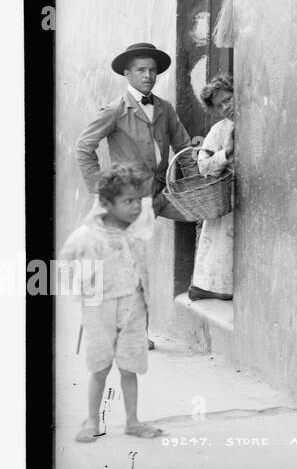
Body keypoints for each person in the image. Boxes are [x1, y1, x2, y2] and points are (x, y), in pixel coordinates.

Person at [61, 165, 164, 442]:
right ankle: (91, 420)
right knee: (100, 366)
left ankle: (133, 421)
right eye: (127, 201)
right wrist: (80, 286)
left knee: (129, 366)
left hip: (132, 306)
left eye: (137, 200)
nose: (135, 207)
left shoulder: (136, 230)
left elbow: (145, 220)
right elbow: (65, 260)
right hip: (99, 309)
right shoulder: (87, 235)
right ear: (106, 203)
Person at [75, 41, 192, 218]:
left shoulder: (165, 108)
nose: (148, 75)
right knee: (126, 243)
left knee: (206, 215)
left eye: (152, 70)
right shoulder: (115, 110)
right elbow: (84, 146)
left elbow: (184, 147)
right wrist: (99, 187)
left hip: (162, 194)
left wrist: (195, 182)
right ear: (127, 74)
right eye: (141, 70)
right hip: (129, 199)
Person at [189, 74, 236, 301]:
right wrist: (225, 153)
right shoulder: (219, 130)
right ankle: (215, 288)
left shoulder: (258, 118)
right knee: (221, 250)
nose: (226, 107)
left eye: (228, 99)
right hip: (227, 199)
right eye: (220, 105)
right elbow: (203, 167)